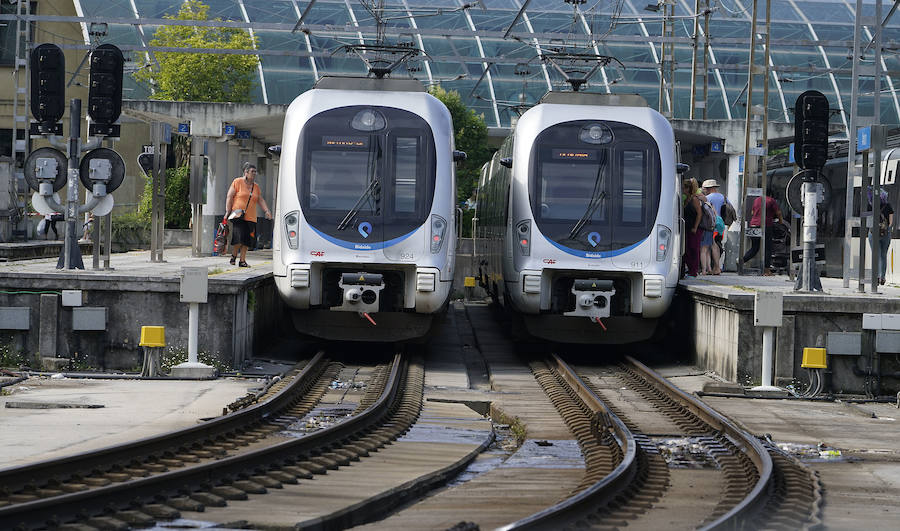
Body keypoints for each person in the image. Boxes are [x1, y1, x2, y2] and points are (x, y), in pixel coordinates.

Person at [225, 163, 272, 267]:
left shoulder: (256, 187)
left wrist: (267, 211)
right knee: (239, 238)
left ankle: (242, 260)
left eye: (255, 172)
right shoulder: (237, 182)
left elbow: (260, 199)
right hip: (238, 216)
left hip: (251, 217)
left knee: (247, 240)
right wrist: (228, 211)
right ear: (246, 172)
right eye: (252, 171)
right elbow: (229, 196)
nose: (254, 174)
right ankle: (234, 255)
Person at [741, 187, 783, 276]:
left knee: (755, 248)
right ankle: (766, 270)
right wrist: (780, 221)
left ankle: (741, 261)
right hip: (765, 225)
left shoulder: (757, 200)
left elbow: (752, 212)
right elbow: (778, 212)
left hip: (753, 224)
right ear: (771, 194)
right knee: (767, 248)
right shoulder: (771, 200)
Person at [702, 179, 731, 274]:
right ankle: (715, 267)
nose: (704, 190)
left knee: (712, 246)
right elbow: (730, 208)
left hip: (711, 225)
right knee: (717, 245)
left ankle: (716, 267)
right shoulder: (723, 197)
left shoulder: (708, 198)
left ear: (709, 188)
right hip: (721, 226)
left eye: (705, 189)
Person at [869, 187, 894, 285]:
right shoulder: (888, 206)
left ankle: (876, 276)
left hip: (873, 233)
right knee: (883, 255)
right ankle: (882, 277)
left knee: (876, 255)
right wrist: (886, 229)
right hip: (885, 233)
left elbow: (868, 220)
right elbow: (891, 222)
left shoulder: (871, 205)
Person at [682, 178, 703, 278]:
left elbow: (699, 213)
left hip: (694, 229)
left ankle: (693, 271)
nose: (682, 190)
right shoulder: (686, 199)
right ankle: (690, 269)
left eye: (683, 188)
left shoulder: (694, 199)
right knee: (687, 249)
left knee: (693, 249)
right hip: (687, 228)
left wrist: (695, 227)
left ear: (688, 188)